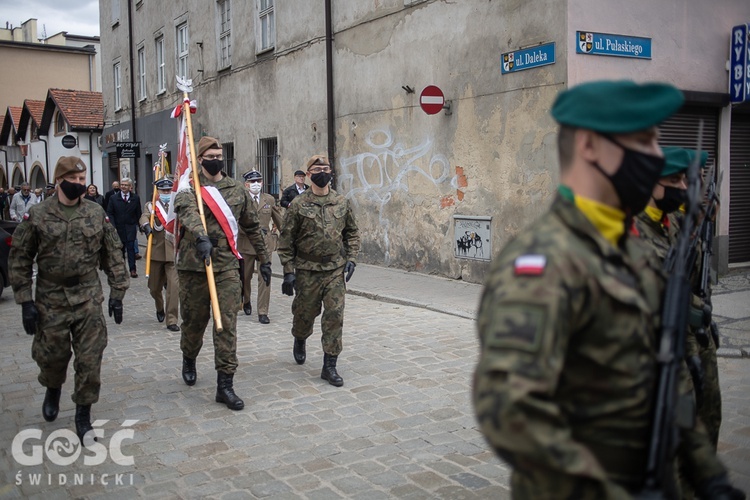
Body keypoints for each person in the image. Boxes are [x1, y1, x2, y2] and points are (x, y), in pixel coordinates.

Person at [472, 80, 743, 498]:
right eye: (643, 141)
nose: (657, 156)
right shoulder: (543, 261)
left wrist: (707, 472)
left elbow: (667, 379)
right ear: (590, 147)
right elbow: (511, 410)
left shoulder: (631, 251)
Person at [8, 156, 129, 445]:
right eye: (73, 180)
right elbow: (20, 258)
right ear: (60, 180)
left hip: (87, 296)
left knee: (90, 359)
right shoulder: (38, 215)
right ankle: (53, 387)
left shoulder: (96, 213)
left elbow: (113, 253)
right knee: (52, 357)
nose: (79, 184)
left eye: (81, 179)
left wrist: (117, 293)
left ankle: (83, 416)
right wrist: (26, 302)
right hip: (51, 298)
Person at [174, 136, 271, 411]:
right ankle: (189, 357)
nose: (217, 159)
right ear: (201, 159)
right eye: (211, 155)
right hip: (195, 266)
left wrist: (264, 259)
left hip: (227, 266)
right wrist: (200, 235)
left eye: (220, 154)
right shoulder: (189, 186)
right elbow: (188, 212)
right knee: (194, 323)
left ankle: (225, 385)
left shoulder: (235, 190)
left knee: (226, 324)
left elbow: (252, 226)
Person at [277, 154, 360, 387]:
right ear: (309, 173)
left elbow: (352, 232)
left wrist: (351, 258)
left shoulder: (341, 202)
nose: (322, 171)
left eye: (326, 167)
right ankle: (300, 337)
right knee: (305, 314)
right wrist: (288, 271)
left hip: (334, 269)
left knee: (334, 315)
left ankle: (329, 365)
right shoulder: (298, 204)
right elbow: (285, 241)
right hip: (307, 270)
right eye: (317, 168)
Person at [238, 170, 284, 323]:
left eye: (258, 181)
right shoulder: (241, 200)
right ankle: (246, 299)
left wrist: (289, 235)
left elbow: (279, 220)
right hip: (247, 244)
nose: (256, 184)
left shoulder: (268, 199)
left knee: (265, 278)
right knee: (245, 276)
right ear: (246, 184)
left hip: (265, 245)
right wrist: (251, 231)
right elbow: (236, 223)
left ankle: (263, 311)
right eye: (252, 182)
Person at [139, 176, 180, 332]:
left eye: (169, 190)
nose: (166, 192)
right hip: (156, 252)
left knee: (174, 288)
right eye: (163, 190)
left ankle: (172, 319)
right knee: (154, 288)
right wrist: (145, 226)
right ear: (157, 191)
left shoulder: (177, 205)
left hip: (173, 253)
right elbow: (144, 217)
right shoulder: (151, 207)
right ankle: (159, 306)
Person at [107, 178, 142, 278]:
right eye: (122, 184)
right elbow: (110, 213)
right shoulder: (113, 198)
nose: (123, 186)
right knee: (120, 250)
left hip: (130, 227)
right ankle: (121, 270)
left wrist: (140, 226)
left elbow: (138, 213)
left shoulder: (135, 198)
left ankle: (133, 269)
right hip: (118, 228)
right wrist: (113, 226)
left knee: (131, 249)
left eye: (125, 185)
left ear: (130, 186)